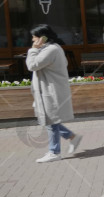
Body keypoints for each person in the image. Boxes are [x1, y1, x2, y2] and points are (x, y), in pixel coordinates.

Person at [26, 24, 82, 163]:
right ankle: (72, 137)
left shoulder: (51, 50)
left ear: (43, 38)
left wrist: (33, 50)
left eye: (34, 38)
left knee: (50, 121)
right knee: (50, 121)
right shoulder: (51, 48)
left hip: (51, 92)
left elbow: (32, 65)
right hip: (47, 91)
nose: (33, 40)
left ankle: (54, 152)